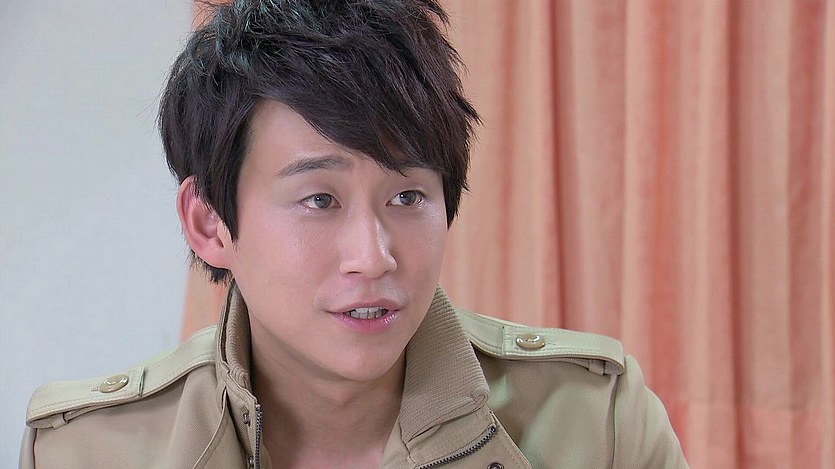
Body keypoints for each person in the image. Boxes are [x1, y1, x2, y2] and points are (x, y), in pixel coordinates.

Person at [20, 1, 688, 467]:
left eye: (407, 196)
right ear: (209, 222)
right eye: (320, 199)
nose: (373, 257)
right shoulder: (84, 451)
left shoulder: (596, 423)